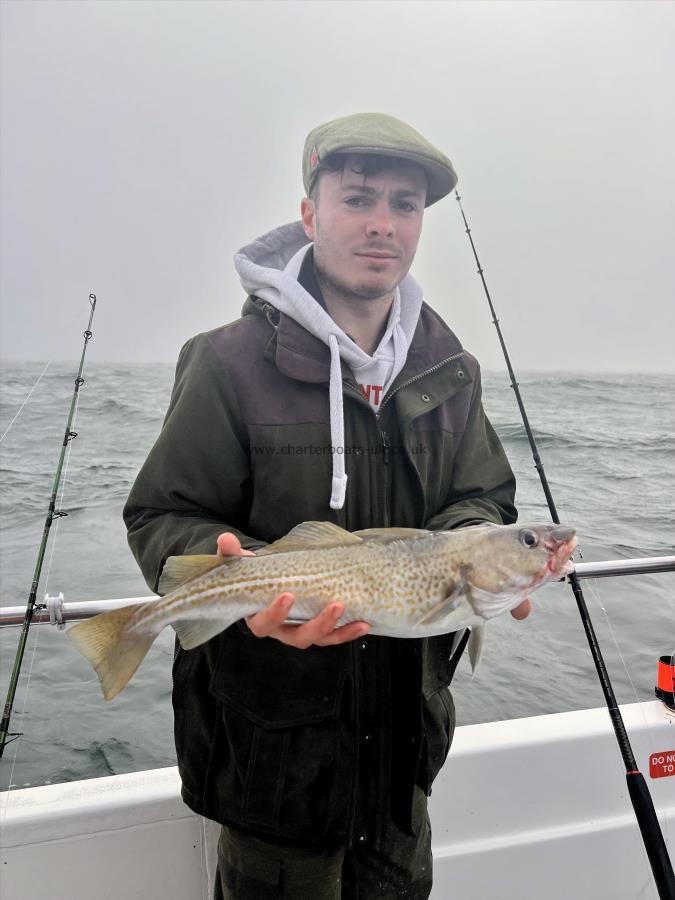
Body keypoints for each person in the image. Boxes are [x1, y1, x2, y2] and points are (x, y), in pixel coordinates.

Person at [124, 112, 527, 899]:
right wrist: (234, 571)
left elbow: (481, 497)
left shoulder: (451, 368)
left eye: (405, 205)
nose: (383, 224)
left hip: (404, 755)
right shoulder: (226, 363)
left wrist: (478, 559)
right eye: (359, 198)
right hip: (274, 756)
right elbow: (162, 515)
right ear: (310, 214)